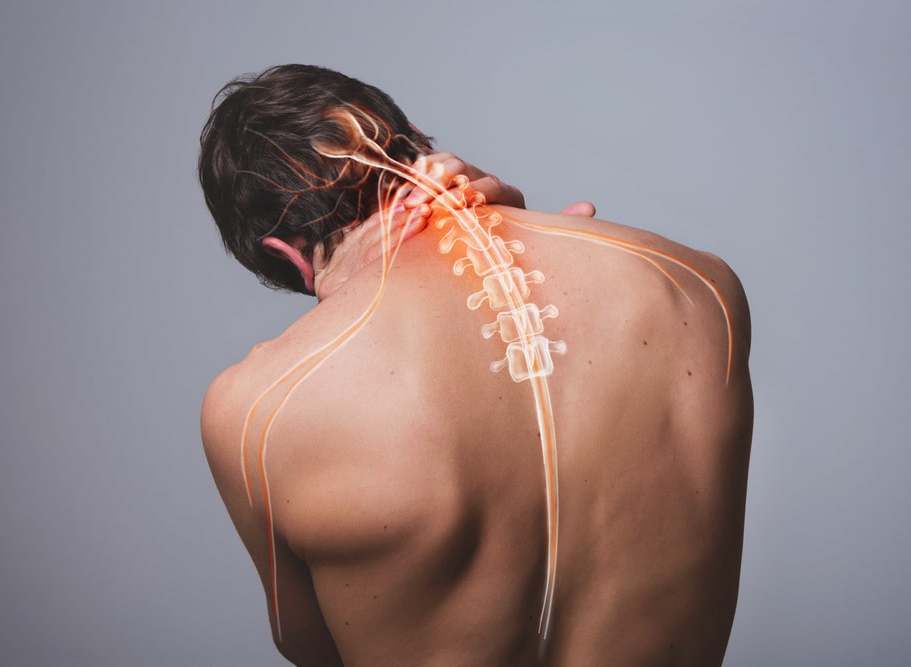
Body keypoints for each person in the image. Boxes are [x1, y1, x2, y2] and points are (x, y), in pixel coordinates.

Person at [198, 64, 753, 666]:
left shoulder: (256, 410)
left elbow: (316, 653)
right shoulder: (697, 285)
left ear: (286, 259)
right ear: (414, 137)